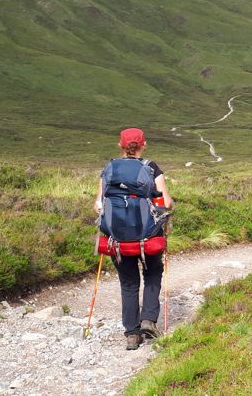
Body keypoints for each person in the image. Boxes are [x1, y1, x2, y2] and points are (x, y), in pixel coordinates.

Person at [94, 127, 174, 350]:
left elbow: (98, 205)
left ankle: (132, 334)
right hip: (148, 236)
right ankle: (148, 319)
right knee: (152, 273)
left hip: (117, 238)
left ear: (120, 145)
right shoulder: (151, 168)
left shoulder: (109, 168)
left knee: (128, 283)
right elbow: (165, 202)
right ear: (143, 144)